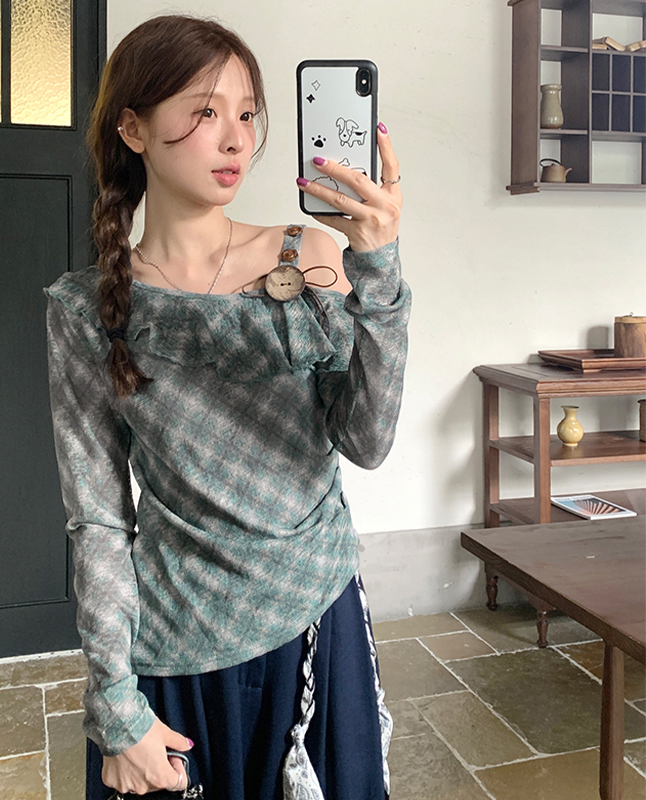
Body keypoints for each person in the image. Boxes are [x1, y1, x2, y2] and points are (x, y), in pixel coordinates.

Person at [44, 14, 410, 800]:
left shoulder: (308, 252)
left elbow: (368, 438)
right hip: (174, 646)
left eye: (247, 114)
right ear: (134, 128)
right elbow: (99, 519)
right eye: (205, 112)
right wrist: (115, 705)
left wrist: (378, 269)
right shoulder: (86, 309)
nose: (236, 138)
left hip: (313, 622)